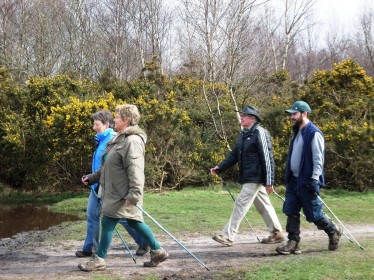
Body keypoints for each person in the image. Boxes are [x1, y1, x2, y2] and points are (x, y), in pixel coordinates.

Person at [78, 104, 168, 271]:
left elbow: (136, 170)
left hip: (122, 193)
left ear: (126, 120)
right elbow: (107, 166)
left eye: (117, 118)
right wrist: (92, 178)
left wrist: (134, 194)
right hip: (115, 191)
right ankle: (157, 250)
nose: (114, 120)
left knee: (108, 221)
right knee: (134, 222)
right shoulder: (120, 138)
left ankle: (99, 259)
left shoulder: (132, 141)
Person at [75, 110, 150, 258]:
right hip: (97, 184)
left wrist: (133, 192)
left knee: (121, 217)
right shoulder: (102, 139)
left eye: (97, 124)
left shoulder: (116, 139)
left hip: (110, 186)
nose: (93, 127)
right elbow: (103, 165)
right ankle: (90, 249)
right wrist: (92, 178)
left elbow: (131, 168)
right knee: (92, 215)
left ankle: (147, 242)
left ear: (106, 124)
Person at [210, 105, 284, 246]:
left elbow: (268, 158)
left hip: (255, 177)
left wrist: (269, 180)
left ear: (252, 118)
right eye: (241, 115)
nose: (241, 118)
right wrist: (220, 167)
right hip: (248, 177)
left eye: (244, 116)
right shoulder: (244, 135)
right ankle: (277, 233)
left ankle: (228, 236)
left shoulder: (260, 132)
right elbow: (234, 155)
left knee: (240, 203)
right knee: (264, 205)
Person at [276, 101, 342, 255]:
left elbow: (319, 159)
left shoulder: (314, 133)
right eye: (291, 114)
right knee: (291, 210)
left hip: (307, 180)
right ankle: (293, 243)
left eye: (294, 113)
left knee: (313, 214)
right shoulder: (296, 132)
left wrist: (314, 179)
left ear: (304, 114)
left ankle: (333, 231)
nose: (291, 117)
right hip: (294, 180)